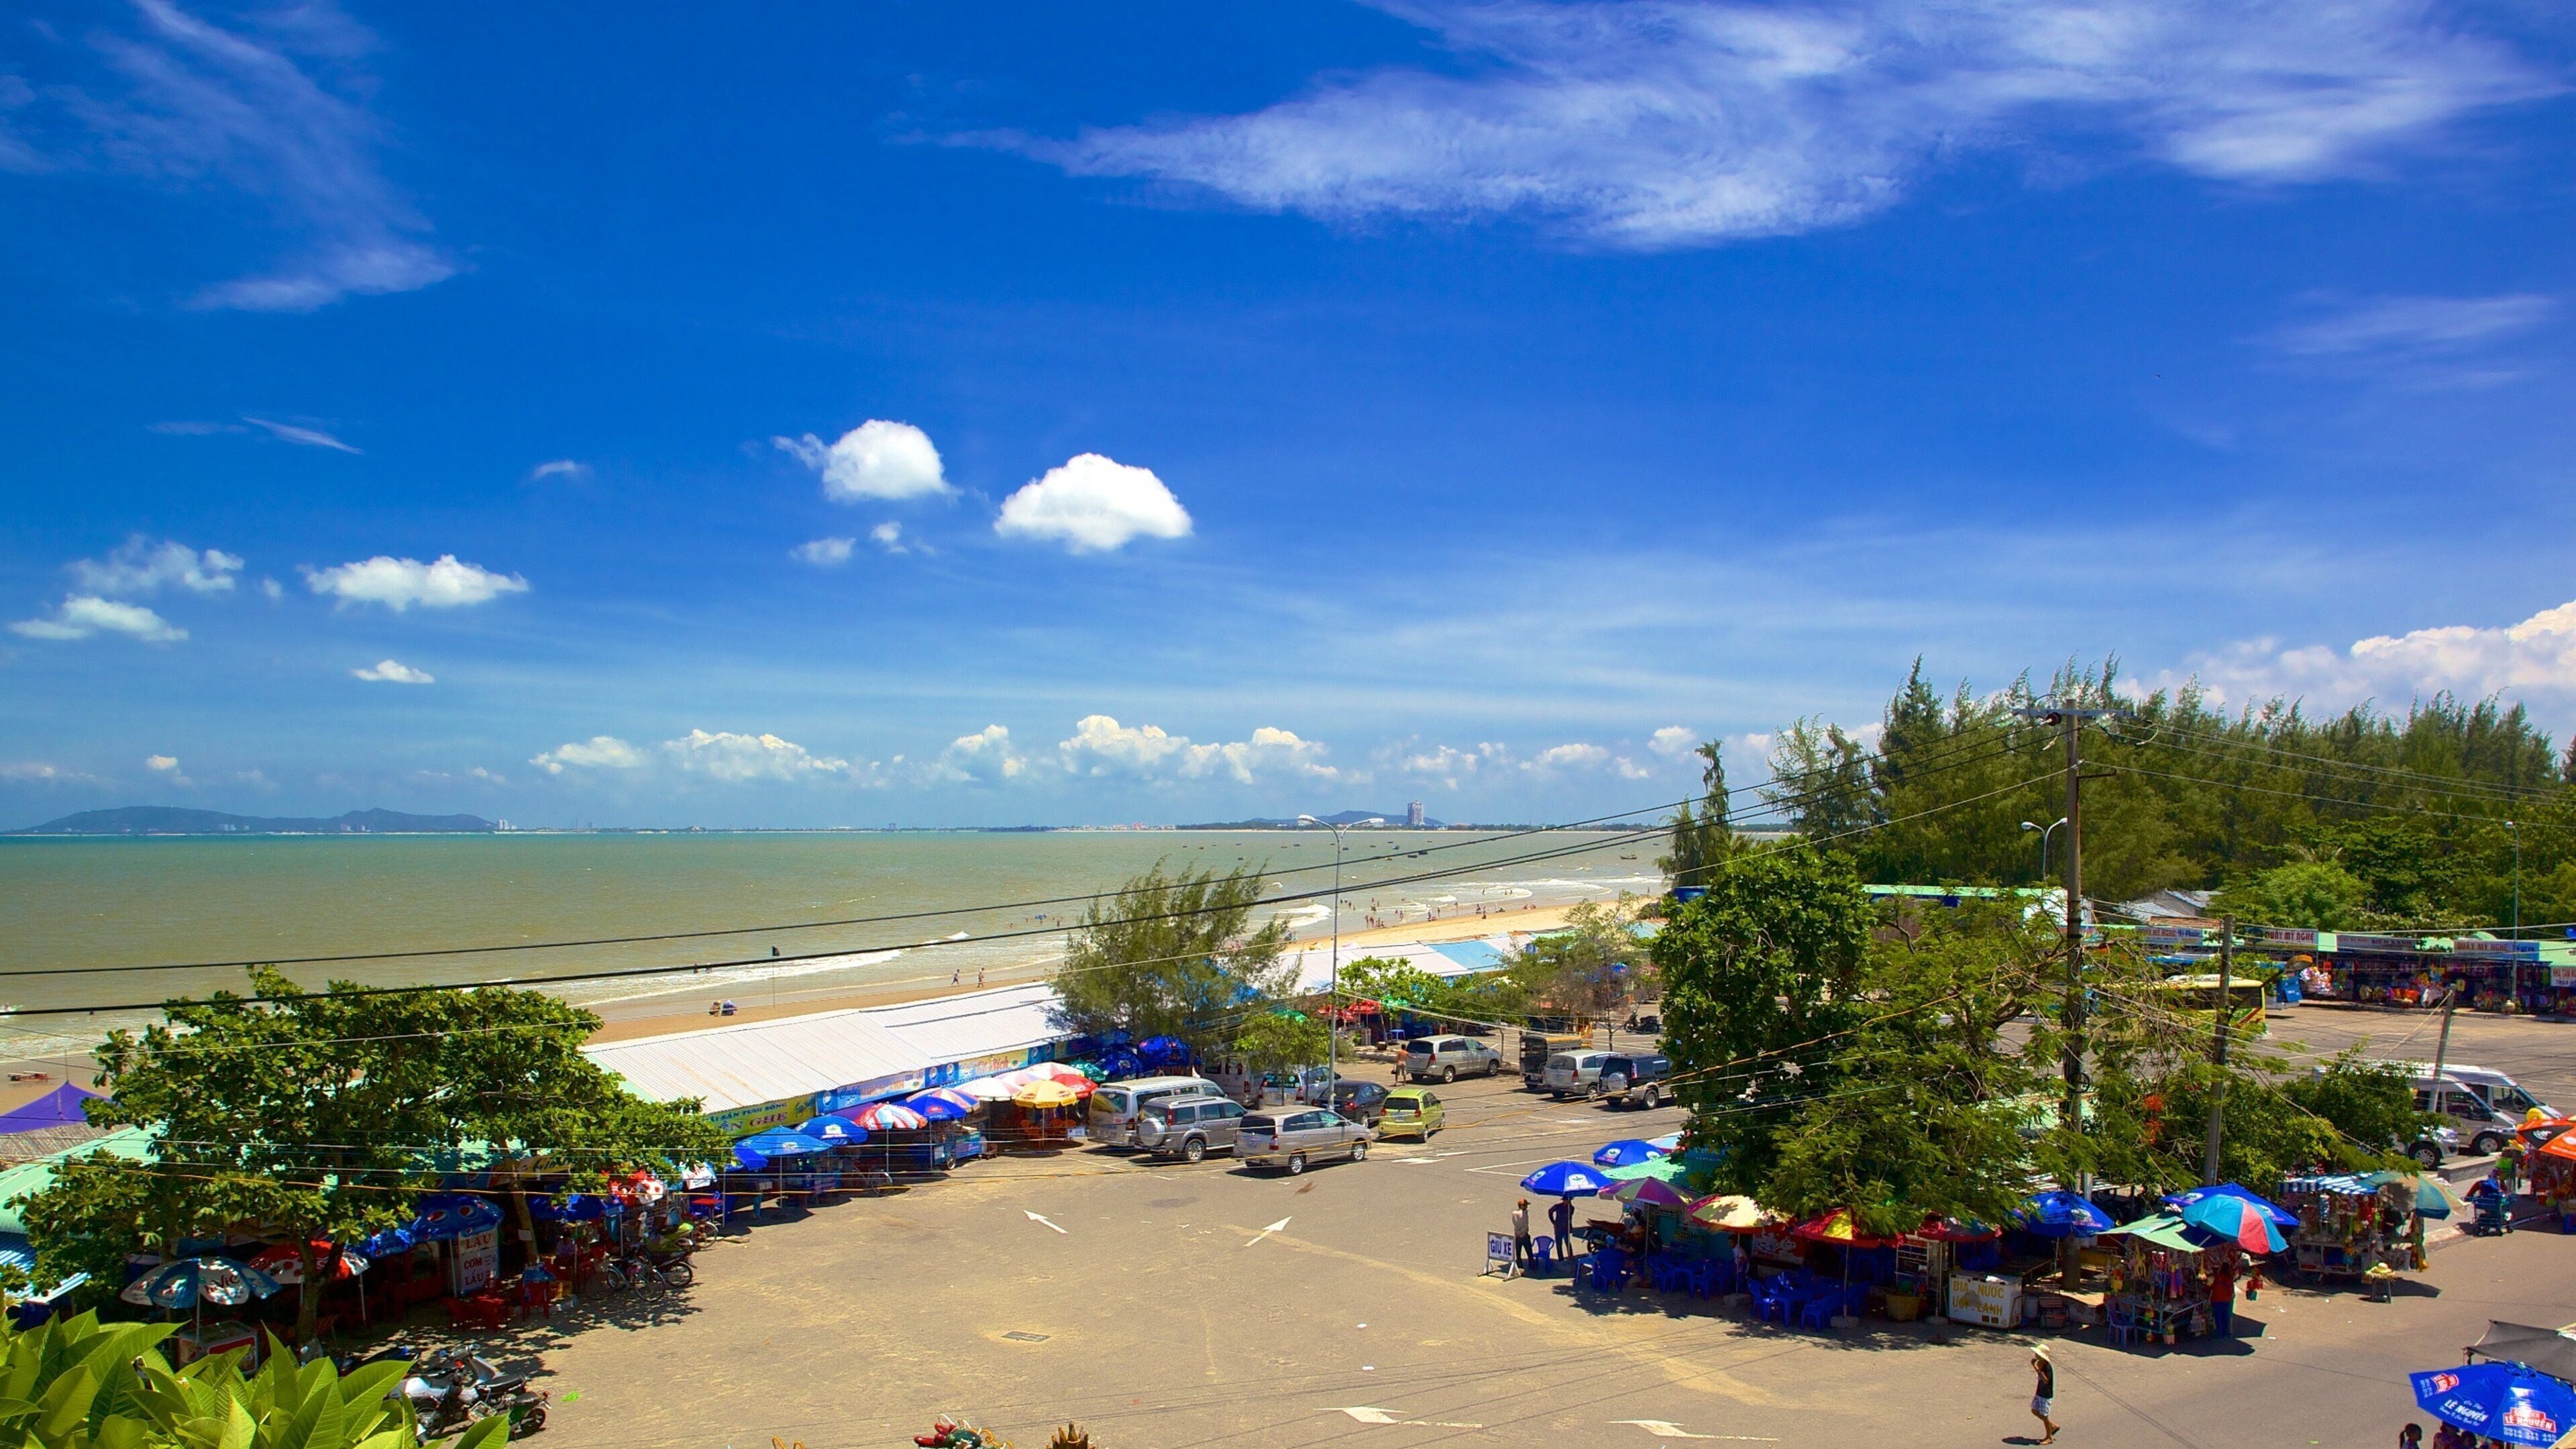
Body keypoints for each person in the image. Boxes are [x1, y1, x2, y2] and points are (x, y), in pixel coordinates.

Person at [2030, 1345, 2059, 1444]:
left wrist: (2037, 1368)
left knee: (2044, 1415)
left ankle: (2049, 1437)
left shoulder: (2047, 1366)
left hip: (2046, 1394)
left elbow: (2046, 1380)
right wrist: (2036, 1367)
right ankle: (2052, 1426)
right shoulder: (2041, 1363)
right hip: (2040, 1392)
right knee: (2034, 1410)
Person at [2208, 1252, 2237, 1337]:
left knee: (2218, 1317)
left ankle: (2220, 1333)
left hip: (2217, 1300)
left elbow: (2210, 1287)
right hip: (2226, 1300)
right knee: (2226, 1317)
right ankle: (2226, 1332)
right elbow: (2231, 1291)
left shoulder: (2216, 1278)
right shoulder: (2229, 1279)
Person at [1549, 1195, 1576, 1264]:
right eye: (1565, 1200)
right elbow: (1550, 1211)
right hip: (1558, 1227)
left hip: (1566, 1228)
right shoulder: (1558, 1206)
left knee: (1568, 1243)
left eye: (1567, 1200)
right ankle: (1561, 1258)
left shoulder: (1571, 1208)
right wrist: (1553, 1222)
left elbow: (1570, 1216)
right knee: (1559, 1244)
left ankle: (1571, 1256)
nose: (1566, 1201)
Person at [1511, 1198, 1534, 1273]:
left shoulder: (1514, 1213)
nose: (1527, 1207)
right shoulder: (1524, 1214)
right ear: (1522, 1206)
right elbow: (1526, 1227)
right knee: (1529, 1252)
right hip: (1524, 1236)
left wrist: (1517, 1232)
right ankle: (1532, 1266)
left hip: (1517, 1236)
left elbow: (1515, 1224)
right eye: (1526, 1205)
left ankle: (1520, 1268)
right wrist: (1521, 1233)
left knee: (1518, 1253)